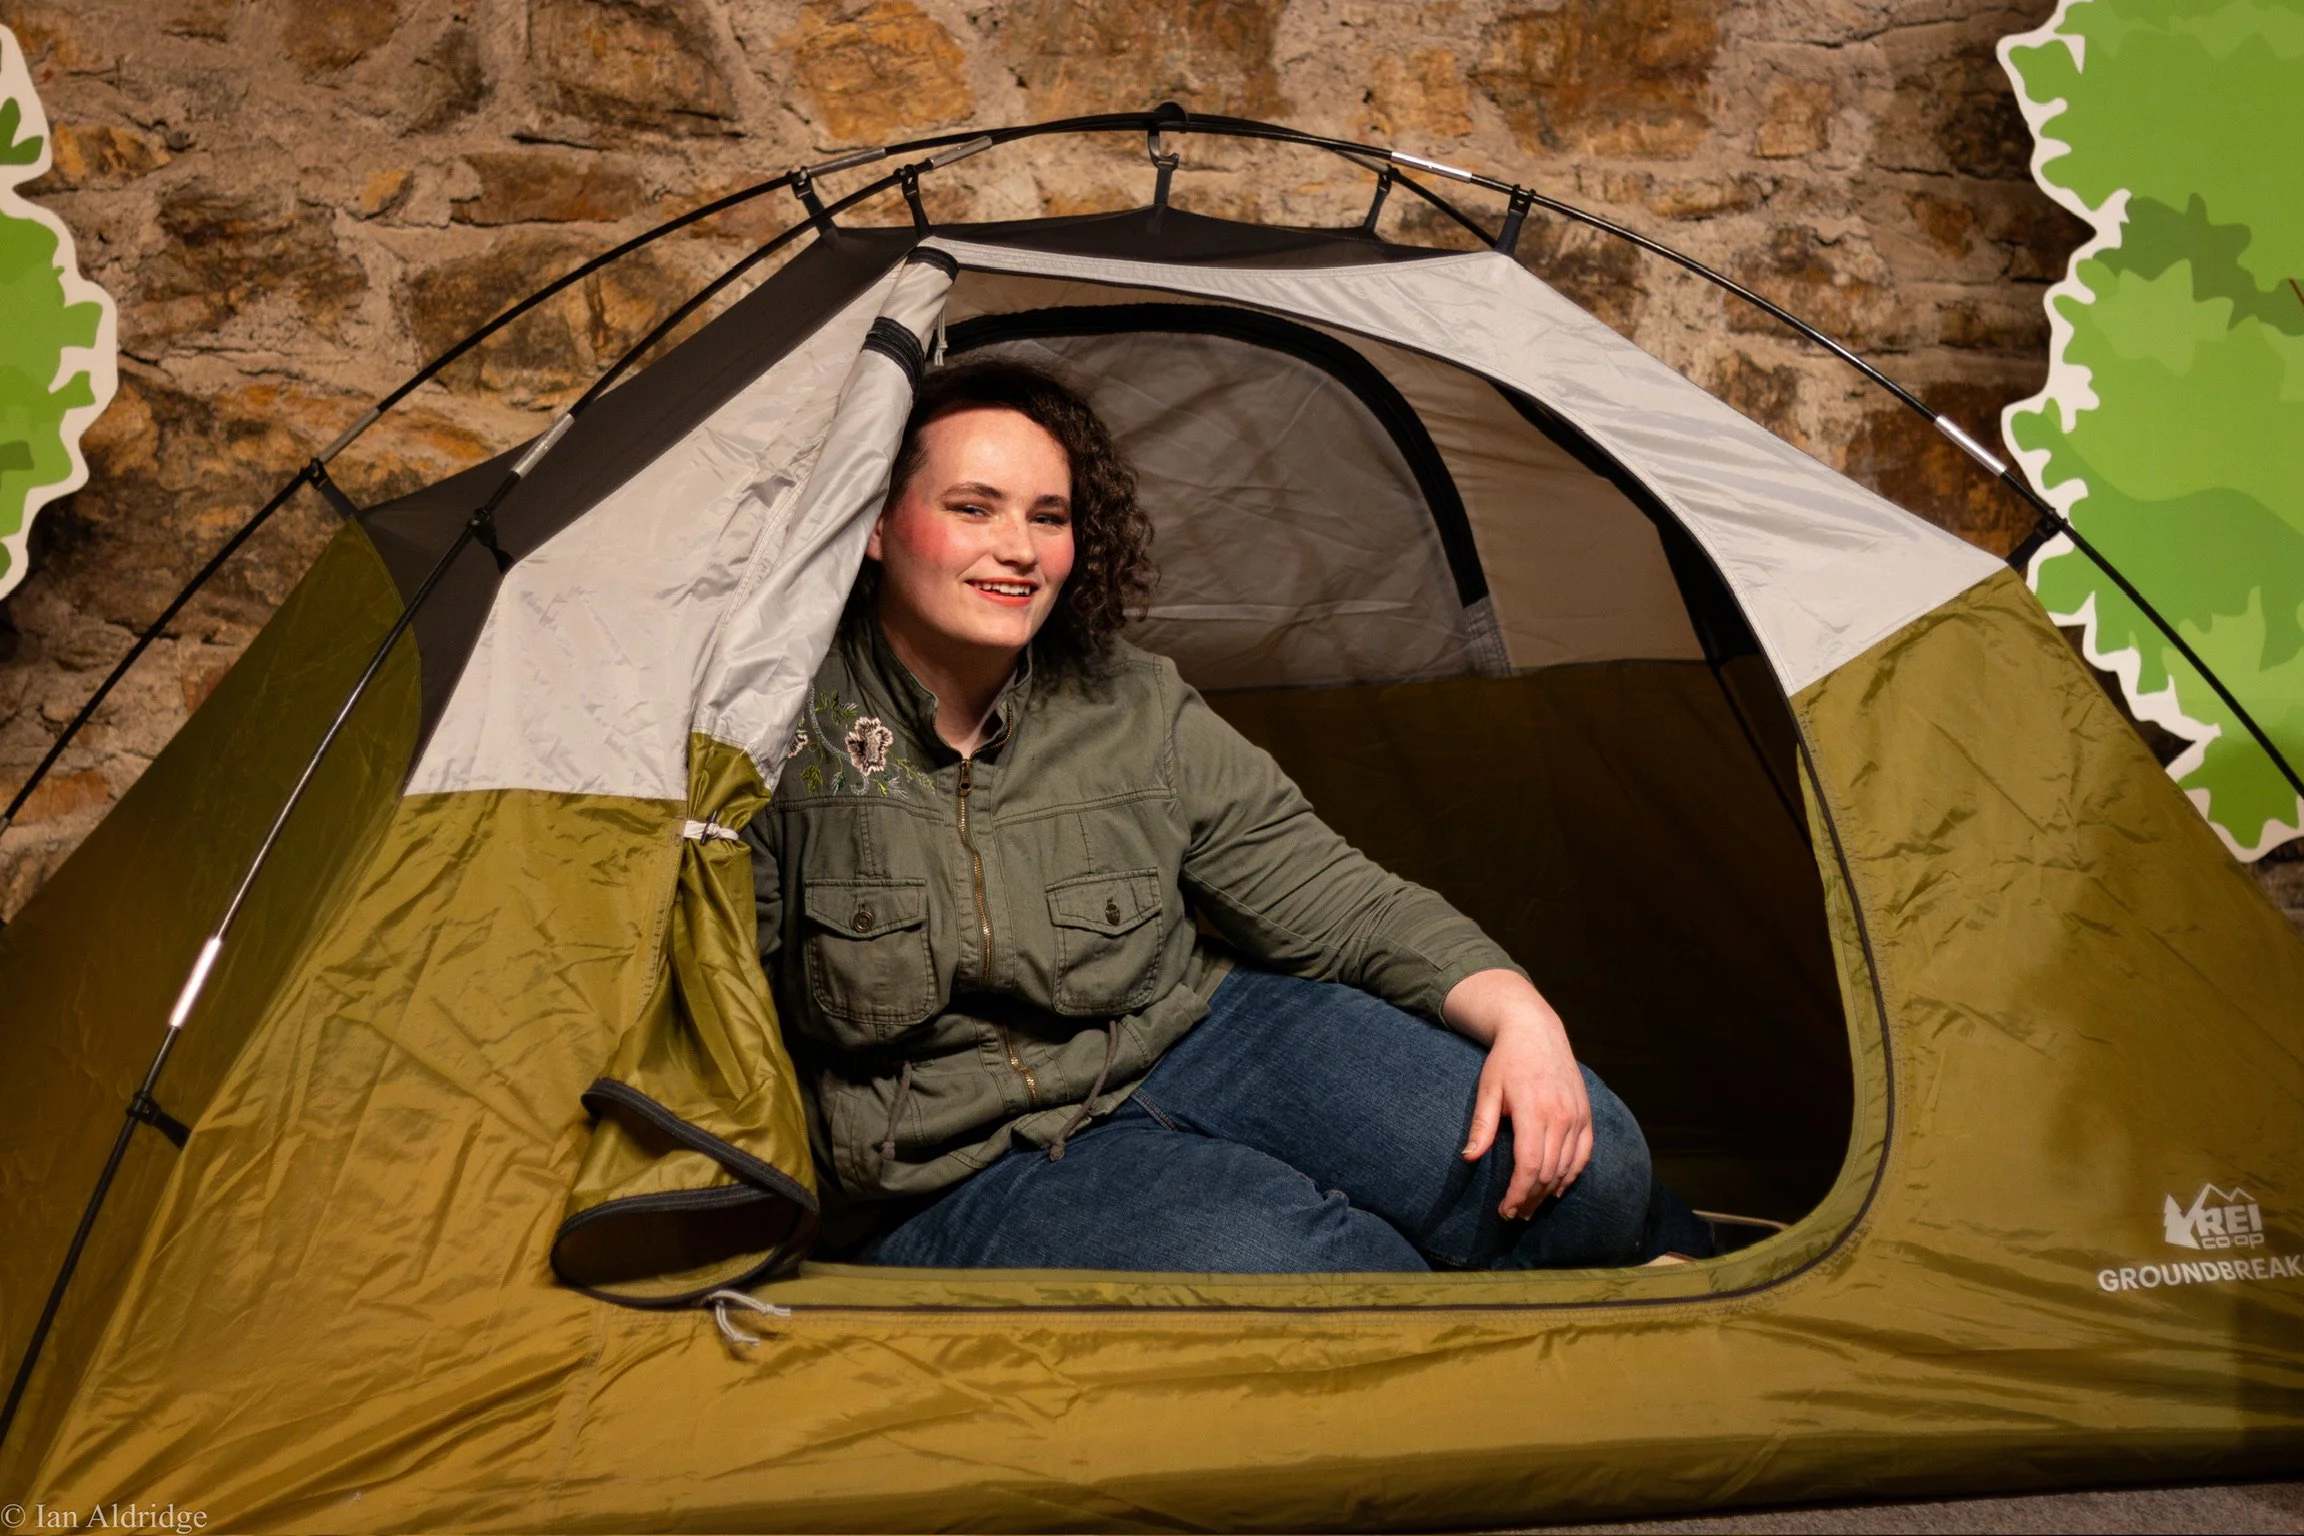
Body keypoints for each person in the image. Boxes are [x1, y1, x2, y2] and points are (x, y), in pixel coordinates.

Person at [743, 359, 1712, 1273]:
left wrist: (1521, 1010)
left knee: (1587, 1164)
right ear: (875, 524)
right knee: (1304, 1268)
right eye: (972, 508)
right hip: (957, 1160)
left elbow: (1338, 901)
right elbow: (713, 1007)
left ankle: (1607, 1273)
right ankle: (1560, 1338)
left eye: (1049, 516)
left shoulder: (1134, 704)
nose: (1019, 550)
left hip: (1193, 1035)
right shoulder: (776, 730)